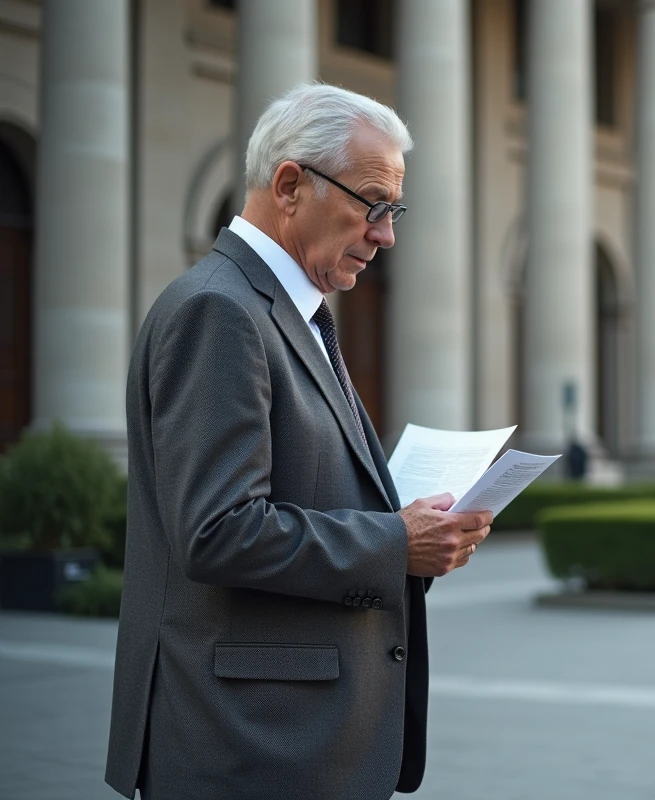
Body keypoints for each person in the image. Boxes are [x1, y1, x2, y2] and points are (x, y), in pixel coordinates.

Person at [104, 83, 491, 800]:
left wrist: (420, 538)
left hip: (292, 743)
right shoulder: (220, 311)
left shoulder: (286, 309)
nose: (387, 235)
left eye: (394, 210)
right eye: (374, 205)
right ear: (290, 186)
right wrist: (392, 543)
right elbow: (217, 532)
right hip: (250, 748)